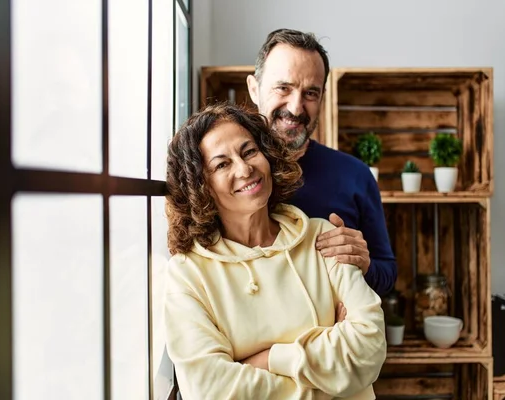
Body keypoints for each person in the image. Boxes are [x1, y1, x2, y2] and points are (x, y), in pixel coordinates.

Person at [164, 103, 386, 399]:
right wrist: (331, 380)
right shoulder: (188, 273)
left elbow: (368, 351)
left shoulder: (323, 236)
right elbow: (212, 390)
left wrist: (269, 360)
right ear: (200, 186)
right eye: (222, 164)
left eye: (249, 152)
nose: (244, 170)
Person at [246, 29, 397, 296]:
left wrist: (364, 263)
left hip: (334, 336)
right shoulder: (233, 177)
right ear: (254, 89)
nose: (295, 107)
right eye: (283, 88)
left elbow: (387, 275)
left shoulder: (356, 176)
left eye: (310, 93)